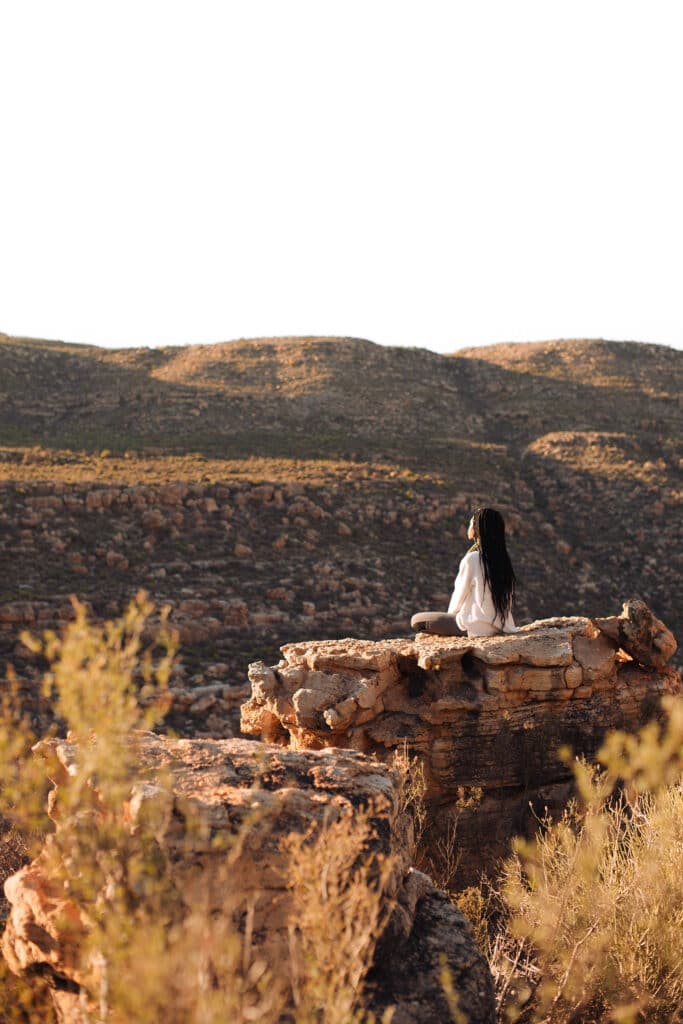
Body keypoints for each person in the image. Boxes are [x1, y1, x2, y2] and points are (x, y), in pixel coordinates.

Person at [411, 507, 517, 637]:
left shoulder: (472, 558)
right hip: (503, 626)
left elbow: (459, 595)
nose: (469, 525)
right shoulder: (503, 560)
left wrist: (449, 618)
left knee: (416, 620)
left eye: (471, 522)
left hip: (475, 626)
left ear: (477, 529)